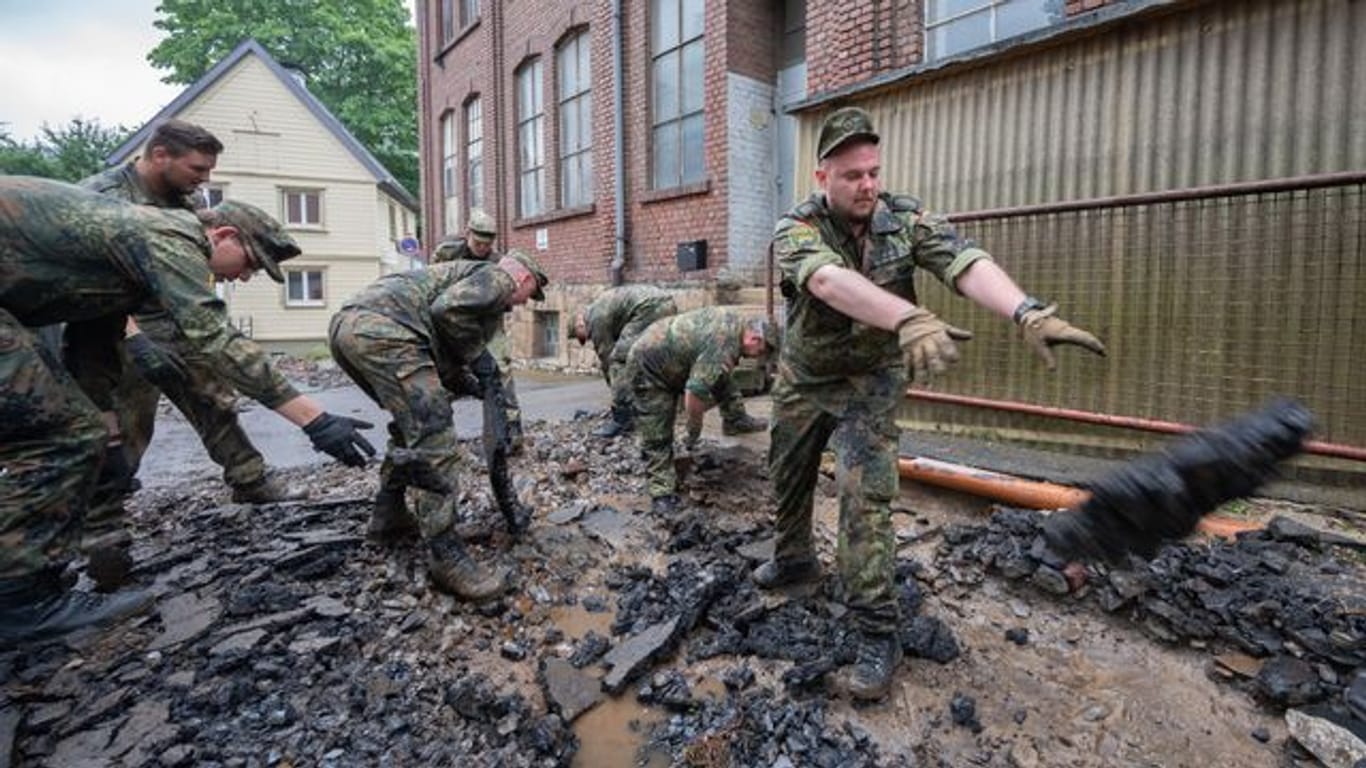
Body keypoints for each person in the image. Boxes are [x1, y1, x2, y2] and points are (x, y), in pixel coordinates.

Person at [759, 106, 1107, 700]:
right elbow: (825, 282)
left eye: (873, 171)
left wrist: (1024, 310)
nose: (868, 185)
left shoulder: (905, 216)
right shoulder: (797, 227)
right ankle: (795, 560)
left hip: (872, 381)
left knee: (863, 496)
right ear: (823, 178)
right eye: (852, 176)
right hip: (806, 377)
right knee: (787, 475)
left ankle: (877, 629)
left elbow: (963, 261)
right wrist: (910, 316)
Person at [0, 177, 376, 646]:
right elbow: (217, 340)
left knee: (80, 434)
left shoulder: (125, 264)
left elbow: (90, 346)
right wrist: (316, 421)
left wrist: (109, 430)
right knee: (59, 435)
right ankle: (20, 604)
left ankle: (31, 579)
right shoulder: (173, 237)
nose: (243, 277)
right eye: (250, 264)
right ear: (222, 236)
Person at [71, 120, 306, 589]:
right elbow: (83, 289)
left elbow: (195, 277)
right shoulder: (100, 198)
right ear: (160, 155)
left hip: (172, 317)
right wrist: (135, 337)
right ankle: (103, 532)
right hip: (106, 325)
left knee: (213, 396)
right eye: (197, 168)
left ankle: (249, 477)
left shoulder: (188, 203)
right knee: (124, 423)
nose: (204, 179)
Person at [328, 248, 550, 600]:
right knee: (434, 433)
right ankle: (445, 553)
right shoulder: (498, 278)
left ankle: (389, 516)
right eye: (528, 293)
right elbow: (447, 311)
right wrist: (481, 359)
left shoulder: (457, 275)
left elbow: (439, 331)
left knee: (410, 426)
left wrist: (467, 382)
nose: (519, 304)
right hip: (385, 332)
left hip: (349, 328)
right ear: (523, 278)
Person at [623, 307, 778, 516]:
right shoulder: (723, 345)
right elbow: (694, 394)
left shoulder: (736, 325)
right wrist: (694, 430)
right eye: (762, 351)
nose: (760, 358)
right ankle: (661, 491)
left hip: (669, 353)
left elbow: (713, 373)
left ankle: (735, 420)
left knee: (721, 376)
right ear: (755, 338)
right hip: (649, 368)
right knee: (657, 430)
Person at [568, 285, 768, 438]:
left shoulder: (595, 317)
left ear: (579, 323)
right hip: (664, 301)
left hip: (648, 308)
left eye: (582, 337)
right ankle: (734, 416)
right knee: (699, 362)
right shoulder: (603, 305)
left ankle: (622, 418)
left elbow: (607, 359)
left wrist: (617, 394)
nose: (586, 340)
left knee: (619, 360)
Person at [429, 209, 526, 452]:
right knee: (444, 375)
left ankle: (511, 433)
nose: (483, 248)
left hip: (487, 322)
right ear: (467, 233)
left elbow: (505, 297)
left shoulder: (497, 261)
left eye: (487, 244)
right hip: (449, 320)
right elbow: (431, 285)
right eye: (478, 242)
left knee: (500, 371)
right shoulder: (447, 254)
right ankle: (438, 438)